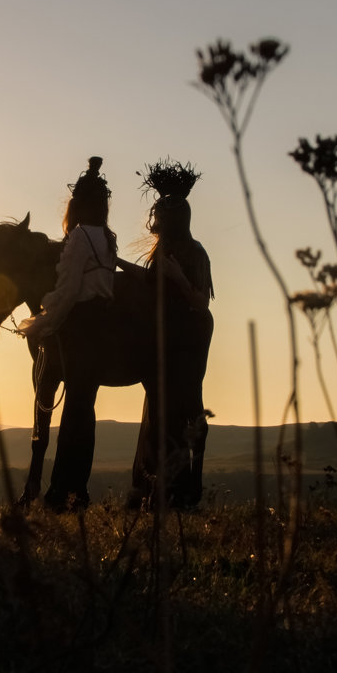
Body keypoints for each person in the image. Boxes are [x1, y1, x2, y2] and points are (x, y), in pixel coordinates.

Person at [19, 156, 116, 511]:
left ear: (76, 205)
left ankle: (58, 492)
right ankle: (79, 490)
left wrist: (44, 322)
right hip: (103, 326)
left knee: (71, 411)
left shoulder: (78, 237)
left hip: (78, 326)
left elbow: (70, 288)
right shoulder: (107, 236)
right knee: (83, 410)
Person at [122, 160, 213, 508]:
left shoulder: (193, 252)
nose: (154, 219)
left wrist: (176, 276)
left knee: (175, 414)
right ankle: (152, 490)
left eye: (159, 214)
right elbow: (148, 279)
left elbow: (200, 302)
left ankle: (177, 493)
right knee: (158, 415)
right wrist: (117, 262)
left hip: (185, 345)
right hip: (165, 343)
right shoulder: (165, 252)